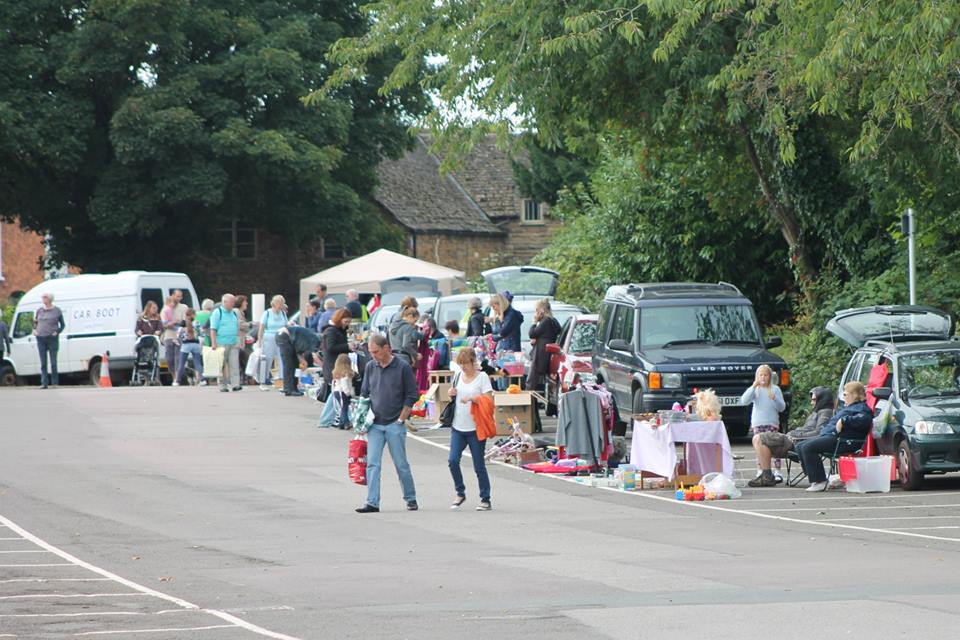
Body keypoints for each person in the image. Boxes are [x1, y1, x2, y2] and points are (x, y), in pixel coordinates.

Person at [356, 334, 419, 513]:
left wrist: (402, 418)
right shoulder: (370, 367)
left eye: (376, 351)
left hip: (394, 423)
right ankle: (372, 502)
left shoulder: (402, 367)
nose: (373, 355)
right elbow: (365, 393)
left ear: (386, 348)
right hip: (375, 423)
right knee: (372, 463)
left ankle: (410, 497)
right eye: (370, 352)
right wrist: (361, 419)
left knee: (401, 464)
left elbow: (412, 394)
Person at [748, 386, 834, 487]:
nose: (811, 402)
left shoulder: (825, 412)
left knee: (759, 439)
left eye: (814, 399)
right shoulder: (817, 412)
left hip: (797, 442)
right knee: (757, 438)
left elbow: (819, 432)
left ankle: (767, 477)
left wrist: (796, 435)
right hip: (795, 439)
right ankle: (766, 475)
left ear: (822, 399)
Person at [796, 381, 873, 492]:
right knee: (800, 445)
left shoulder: (862, 409)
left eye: (845, 394)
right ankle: (814, 477)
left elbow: (864, 420)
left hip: (844, 441)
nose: (844, 397)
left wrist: (844, 420)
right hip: (832, 436)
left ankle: (820, 481)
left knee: (808, 447)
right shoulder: (851, 407)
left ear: (854, 395)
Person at [447, 348, 494, 510]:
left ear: (473, 362)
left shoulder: (482, 377)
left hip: (476, 428)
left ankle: (485, 498)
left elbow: (489, 400)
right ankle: (460, 492)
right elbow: (453, 396)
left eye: (465, 364)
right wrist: (451, 393)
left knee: (478, 465)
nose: (463, 367)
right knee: (452, 461)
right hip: (458, 426)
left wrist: (473, 398)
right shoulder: (458, 376)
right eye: (460, 364)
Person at [740, 364, 786, 480]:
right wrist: (752, 387)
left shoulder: (775, 389)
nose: (763, 378)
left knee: (774, 446)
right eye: (761, 375)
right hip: (758, 423)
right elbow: (744, 401)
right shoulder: (756, 390)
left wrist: (774, 398)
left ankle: (777, 471)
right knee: (759, 447)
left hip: (772, 423)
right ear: (757, 376)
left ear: (770, 376)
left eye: (766, 375)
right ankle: (761, 470)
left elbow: (782, 407)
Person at [275, 324, 321, 397]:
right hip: (284, 335)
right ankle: (288, 389)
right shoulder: (315, 340)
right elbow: (314, 356)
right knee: (289, 364)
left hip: (287, 337)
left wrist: (303, 361)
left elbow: (298, 351)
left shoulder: (309, 339)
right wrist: (323, 366)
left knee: (295, 363)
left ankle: (293, 388)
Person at [209, 293, 241, 392]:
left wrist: (239, 340)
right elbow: (213, 329)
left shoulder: (234, 313)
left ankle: (235, 384)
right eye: (231, 302)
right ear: (225, 302)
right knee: (221, 364)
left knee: (234, 364)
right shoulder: (218, 312)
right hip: (221, 342)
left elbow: (237, 327)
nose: (233, 304)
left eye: (233, 302)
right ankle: (223, 385)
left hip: (233, 342)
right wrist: (213, 343)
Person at [33, 292, 64, 388]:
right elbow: (35, 322)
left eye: (45, 297)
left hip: (52, 338)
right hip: (41, 338)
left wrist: (57, 332)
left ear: (50, 299)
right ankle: (44, 383)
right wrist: (34, 330)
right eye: (43, 297)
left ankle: (54, 382)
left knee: (53, 362)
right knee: (43, 362)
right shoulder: (39, 311)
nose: (43, 299)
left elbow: (62, 325)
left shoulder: (57, 310)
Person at [257, 295, 288, 390]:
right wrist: (259, 340)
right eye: (280, 304)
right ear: (274, 303)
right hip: (269, 337)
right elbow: (261, 327)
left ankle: (283, 380)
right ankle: (264, 379)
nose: (281, 306)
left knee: (282, 358)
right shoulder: (267, 313)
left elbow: (286, 325)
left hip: (281, 336)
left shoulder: (283, 313)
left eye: (282, 304)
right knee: (267, 359)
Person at [321, 309, 353, 386]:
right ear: (339, 319)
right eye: (345, 322)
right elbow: (330, 347)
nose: (347, 324)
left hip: (339, 365)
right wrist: (347, 346)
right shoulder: (331, 331)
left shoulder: (341, 330)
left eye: (349, 322)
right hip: (333, 365)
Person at [174, 308, 203, 386]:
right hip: (196, 344)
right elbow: (201, 333)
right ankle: (202, 380)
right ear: (193, 315)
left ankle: (177, 381)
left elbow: (178, 335)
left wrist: (177, 341)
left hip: (186, 345)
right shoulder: (197, 323)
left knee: (181, 363)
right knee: (197, 363)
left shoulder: (183, 324)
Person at [235, 295, 251, 382]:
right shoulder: (236, 311)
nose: (247, 303)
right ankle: (240, 378)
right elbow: (239, 323)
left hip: (241, 339)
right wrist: (250, 324)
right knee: (238, 358)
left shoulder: (241, 313)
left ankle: (242, 377)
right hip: (237, 339)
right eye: (245, 302)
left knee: (241, 359)